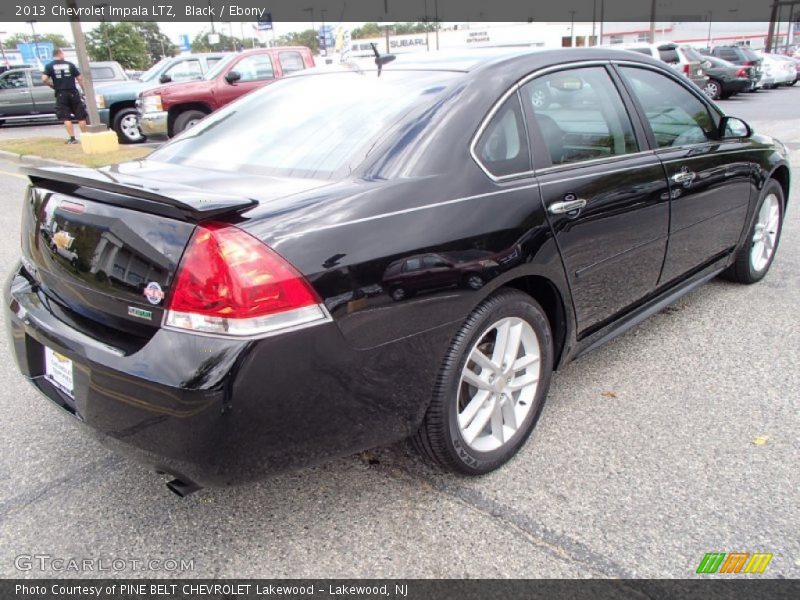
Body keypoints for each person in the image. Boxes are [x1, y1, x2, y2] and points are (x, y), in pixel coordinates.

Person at [42, 49, 88, 144]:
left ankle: (72, 138)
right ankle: (85, 137)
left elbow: (44, 79)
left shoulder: (49, 66)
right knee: (80, 116)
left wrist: (52, 85)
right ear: (60, 54)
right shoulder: (70, 64)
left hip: (60, 93)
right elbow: (79, 78)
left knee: (66, 117)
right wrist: (84, 91)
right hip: (73, 92)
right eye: (63, 53)